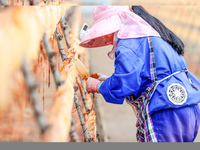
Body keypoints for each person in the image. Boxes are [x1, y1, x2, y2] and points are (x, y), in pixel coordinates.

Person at [79, 6, 200, 142]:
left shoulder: (128, 44)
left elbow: (122, 86)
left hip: (165, 114)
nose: (104, 38)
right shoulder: (153, 34)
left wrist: (97, 85)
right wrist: (107, 80)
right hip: (188, 110)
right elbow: (147, 78)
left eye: (103, 31)